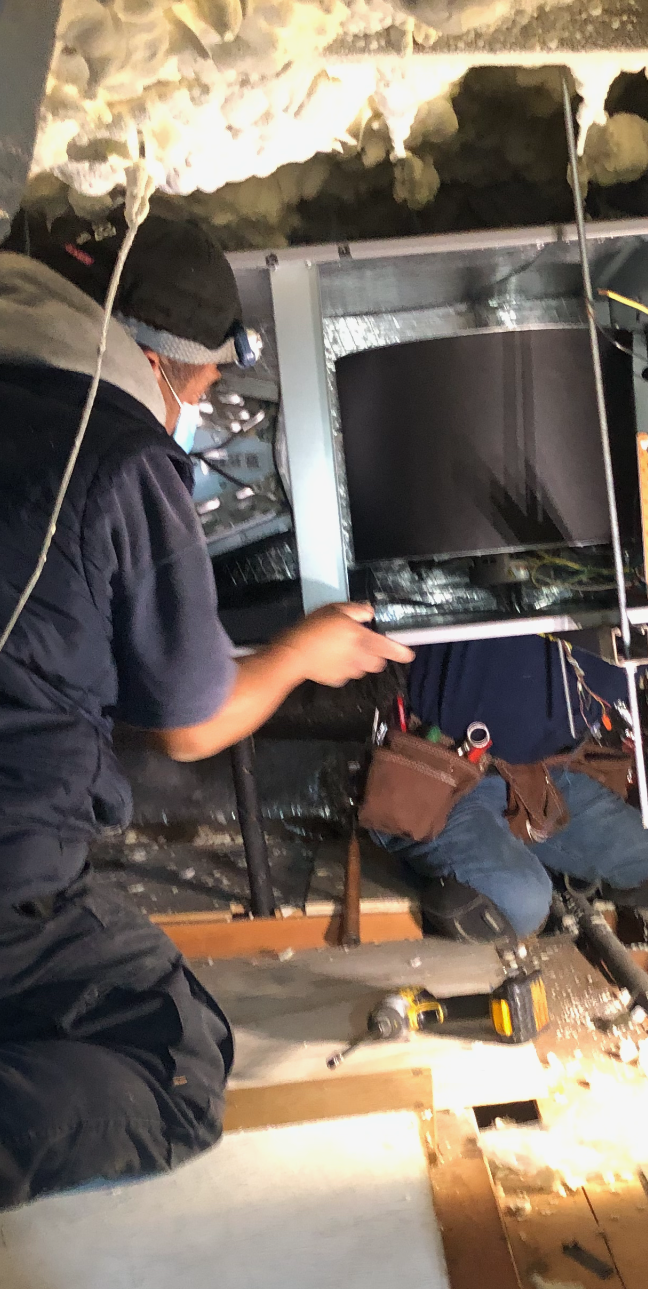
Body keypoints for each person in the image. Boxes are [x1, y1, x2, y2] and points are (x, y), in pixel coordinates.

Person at [0, 206, 412, 1210]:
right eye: (210, 384)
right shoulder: (118, 453)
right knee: (178, 1064)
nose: (202, 404)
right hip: (10, 877)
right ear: (167, 361)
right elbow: (193, 719)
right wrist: (302, 654)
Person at [372, 627, 648, 942]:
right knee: (517, 905)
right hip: (444, 775)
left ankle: (519, 854)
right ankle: (428, 845)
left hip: (547, 778)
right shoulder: (497, 560)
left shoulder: (647, 607)